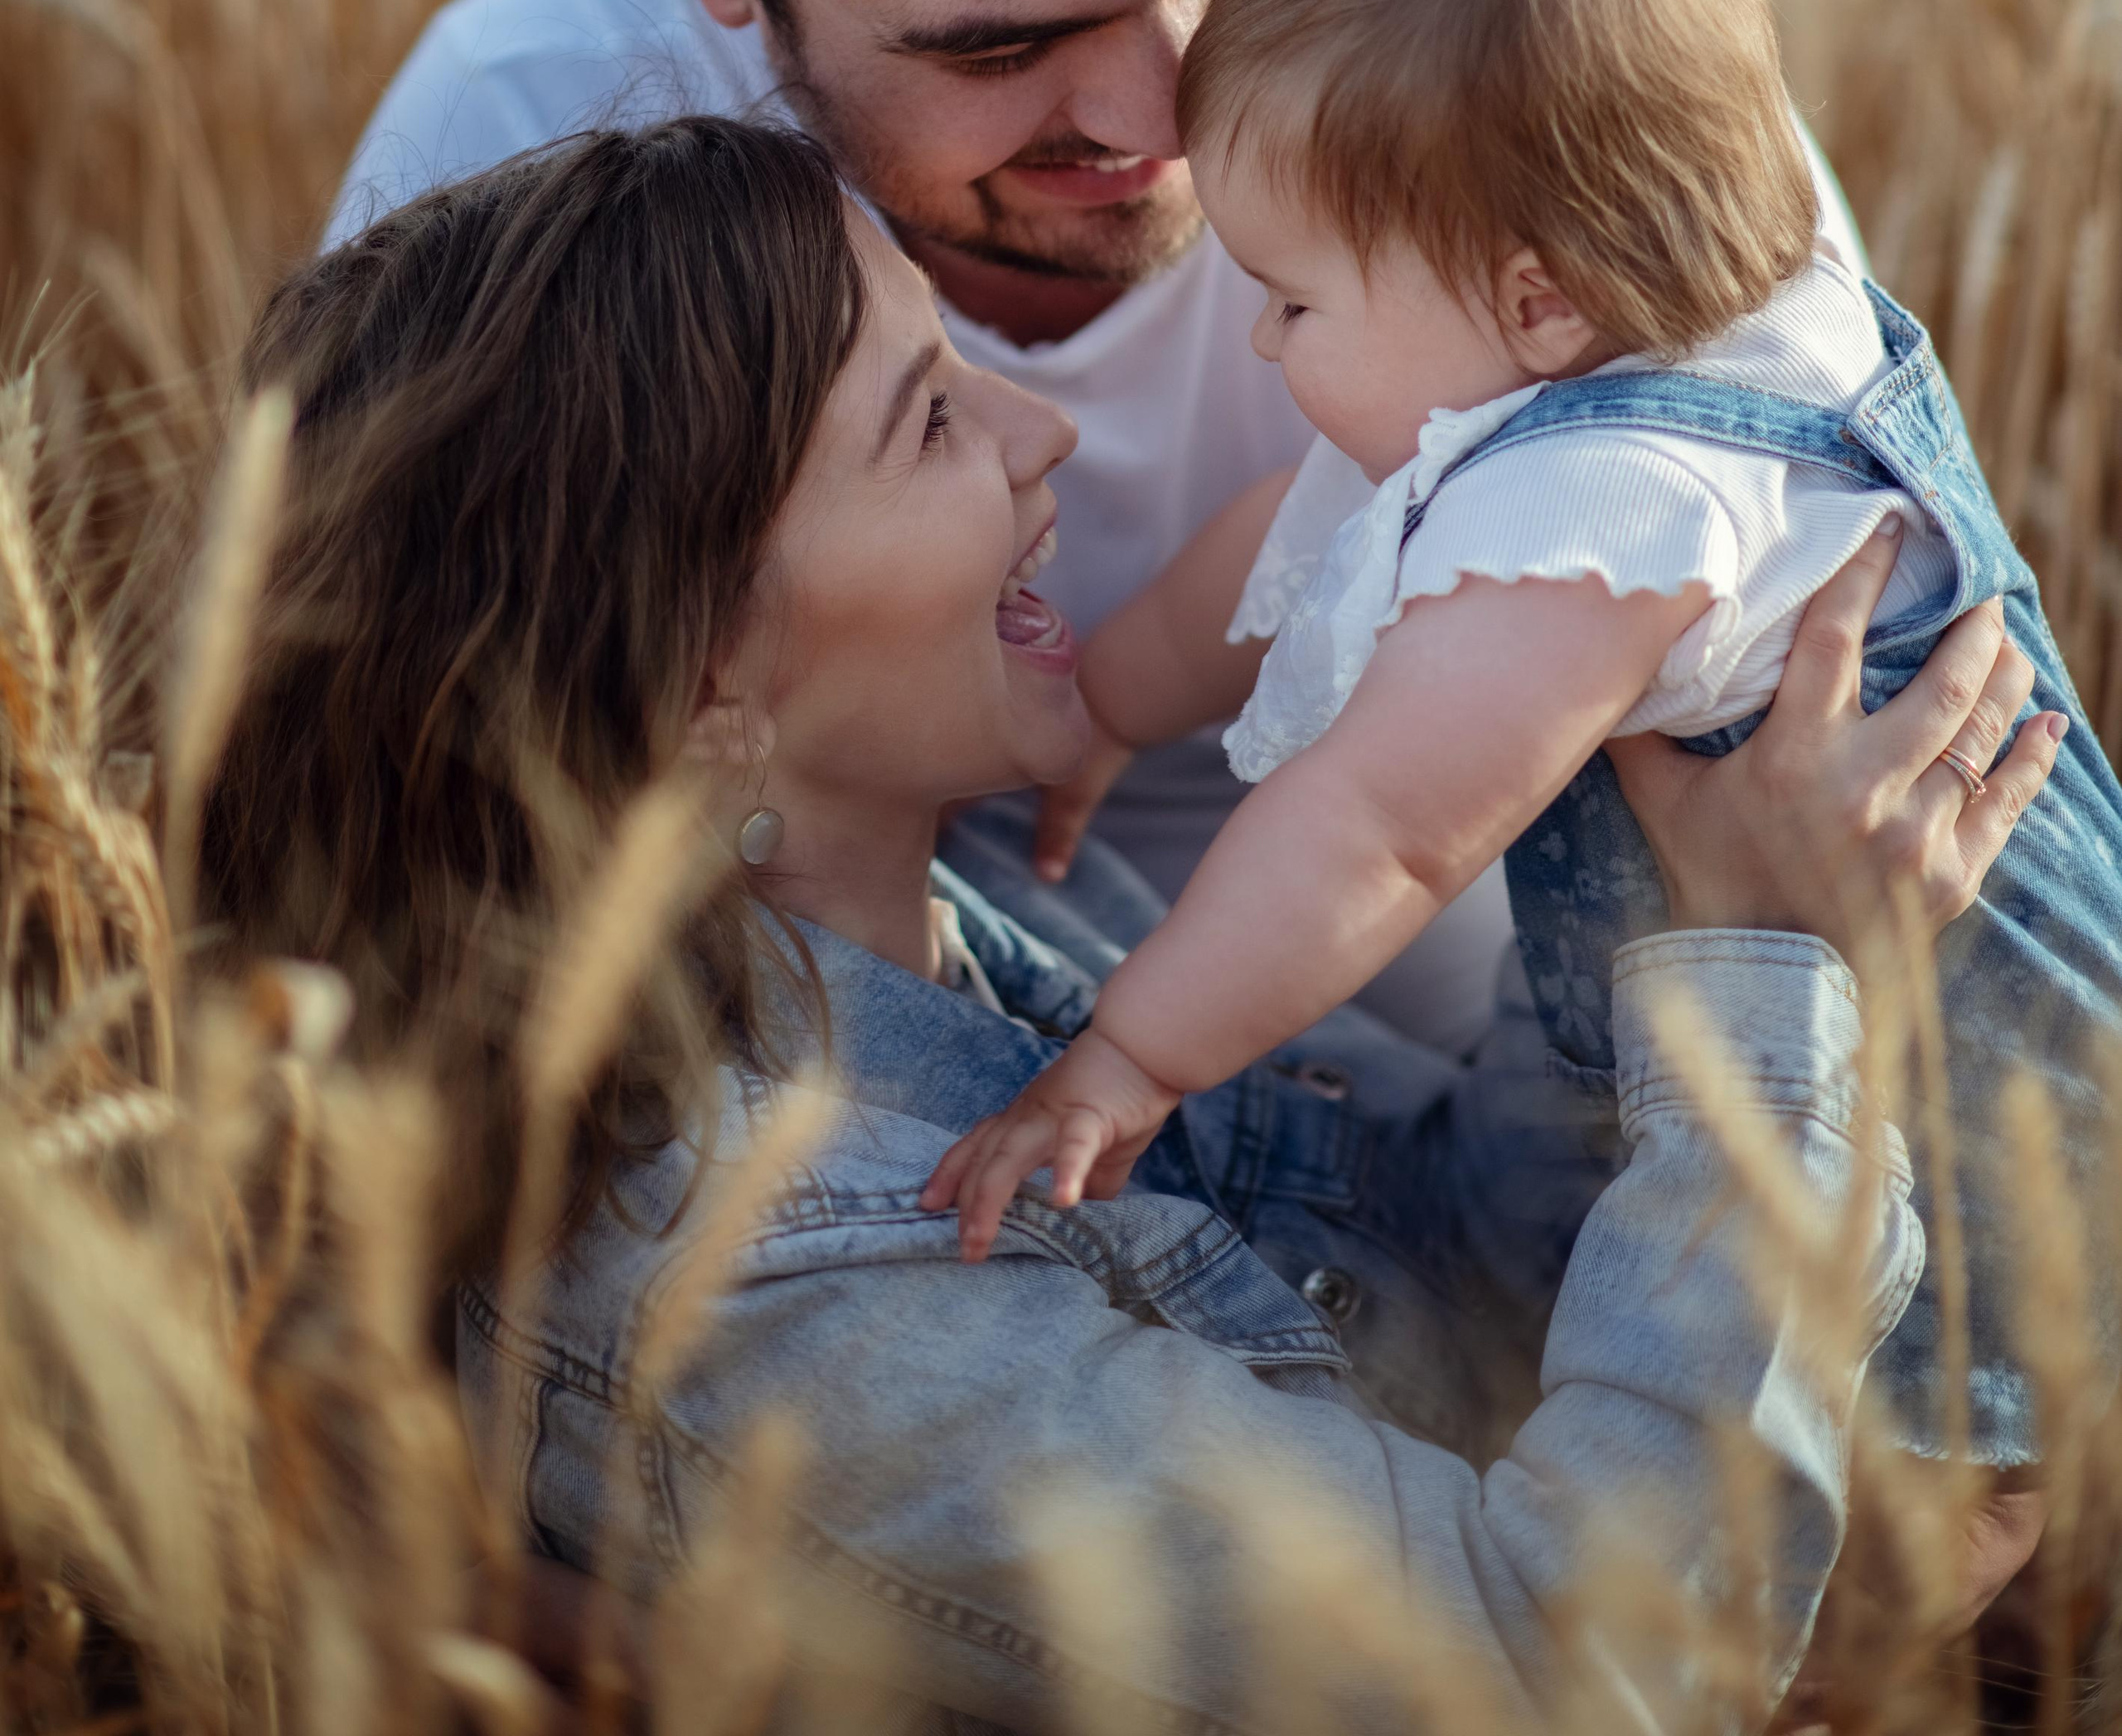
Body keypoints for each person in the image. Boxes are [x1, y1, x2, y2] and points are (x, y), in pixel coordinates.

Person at [202, 115, 2049, 1729]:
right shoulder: (780, 1295)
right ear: (700, 691)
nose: (1043, 430)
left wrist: (1650, 826)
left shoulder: (984, 921)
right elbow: (1558, 1675)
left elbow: (1457, 1236)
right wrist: (1773, 998)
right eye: (930, 419)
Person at [326, 0, 1863, 1054]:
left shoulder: (1542, 28)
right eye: (1000, 45)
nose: (1166, 112)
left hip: (1545, 1064)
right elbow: (407, 889)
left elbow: (1826, 738)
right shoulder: (518, 140)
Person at [926, 0, 2116, 1477]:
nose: (1261, 342)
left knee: (1916, 1489)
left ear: (1538, 295)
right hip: (1649, 1057)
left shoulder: (1612, 508)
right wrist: (1111, 700)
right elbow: (1293, 546)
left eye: (1292, 298)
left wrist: (1127, 1057)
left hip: (1945, 1149)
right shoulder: (1644, 345)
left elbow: (1380, 831)